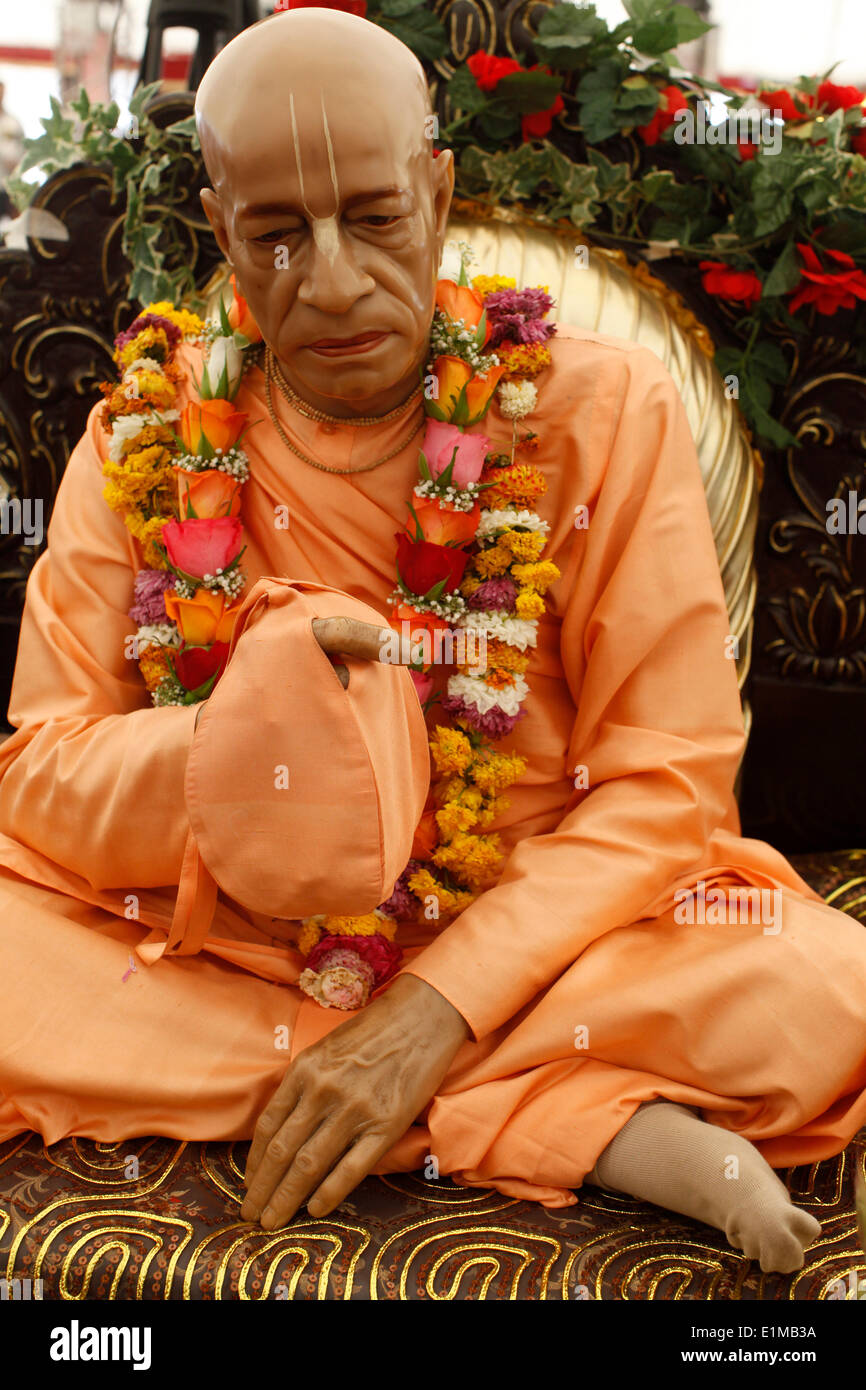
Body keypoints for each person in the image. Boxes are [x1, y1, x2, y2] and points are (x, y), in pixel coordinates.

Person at [0, 8, 863, 1277]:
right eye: (277, 234)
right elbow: (42, 766)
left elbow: (666, 775)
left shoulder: (600, 410)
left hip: (541, 921)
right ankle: (567, 1115)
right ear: (217, 226)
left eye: (374, 217)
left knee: (818, 991)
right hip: (232, 929)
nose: (335, 279)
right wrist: (249, 734)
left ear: (437, 187)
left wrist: (427, 1008)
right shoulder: (137, 436)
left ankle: (386, 1079)